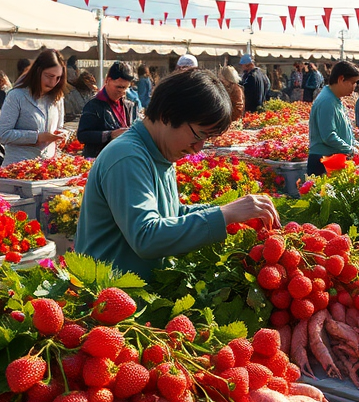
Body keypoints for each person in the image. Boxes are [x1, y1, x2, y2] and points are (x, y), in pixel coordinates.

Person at [75, 69, 280, 277]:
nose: (199, 148)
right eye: (199, 135)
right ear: (167, 115)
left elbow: (171, 215)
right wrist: (224, 214)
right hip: (109, 292)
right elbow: (146, 237)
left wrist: (230, 211)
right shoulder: (128, 156)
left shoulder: (159, 151)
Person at [0, 49, 68, 166]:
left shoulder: (58, 98)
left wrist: (62, 134)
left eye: (58, 78)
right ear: (37, 71)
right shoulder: (16, 96)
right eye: (49, 76)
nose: (53, 82)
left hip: (47, 166)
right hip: (18, 166)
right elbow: (4, 135)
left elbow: (59, 127)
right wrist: (37, 137)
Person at [308, 61, 359, 175]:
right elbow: (328, 136)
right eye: (353, 82)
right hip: (324, 160)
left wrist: (355, 144)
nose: (355, 86)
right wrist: (351, 150)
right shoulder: (327, 101)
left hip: (333, 158)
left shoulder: (335, 99)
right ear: (341, 79)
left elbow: (345, 131)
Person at [77, 62, 139, 158]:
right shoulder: (93, 105)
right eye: (119, 87)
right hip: (100, 159)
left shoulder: (130, 105)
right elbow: (82, 135)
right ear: (107, 80)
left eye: (125, 88)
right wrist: (110, 135)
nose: (122, 92)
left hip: (124, 158)